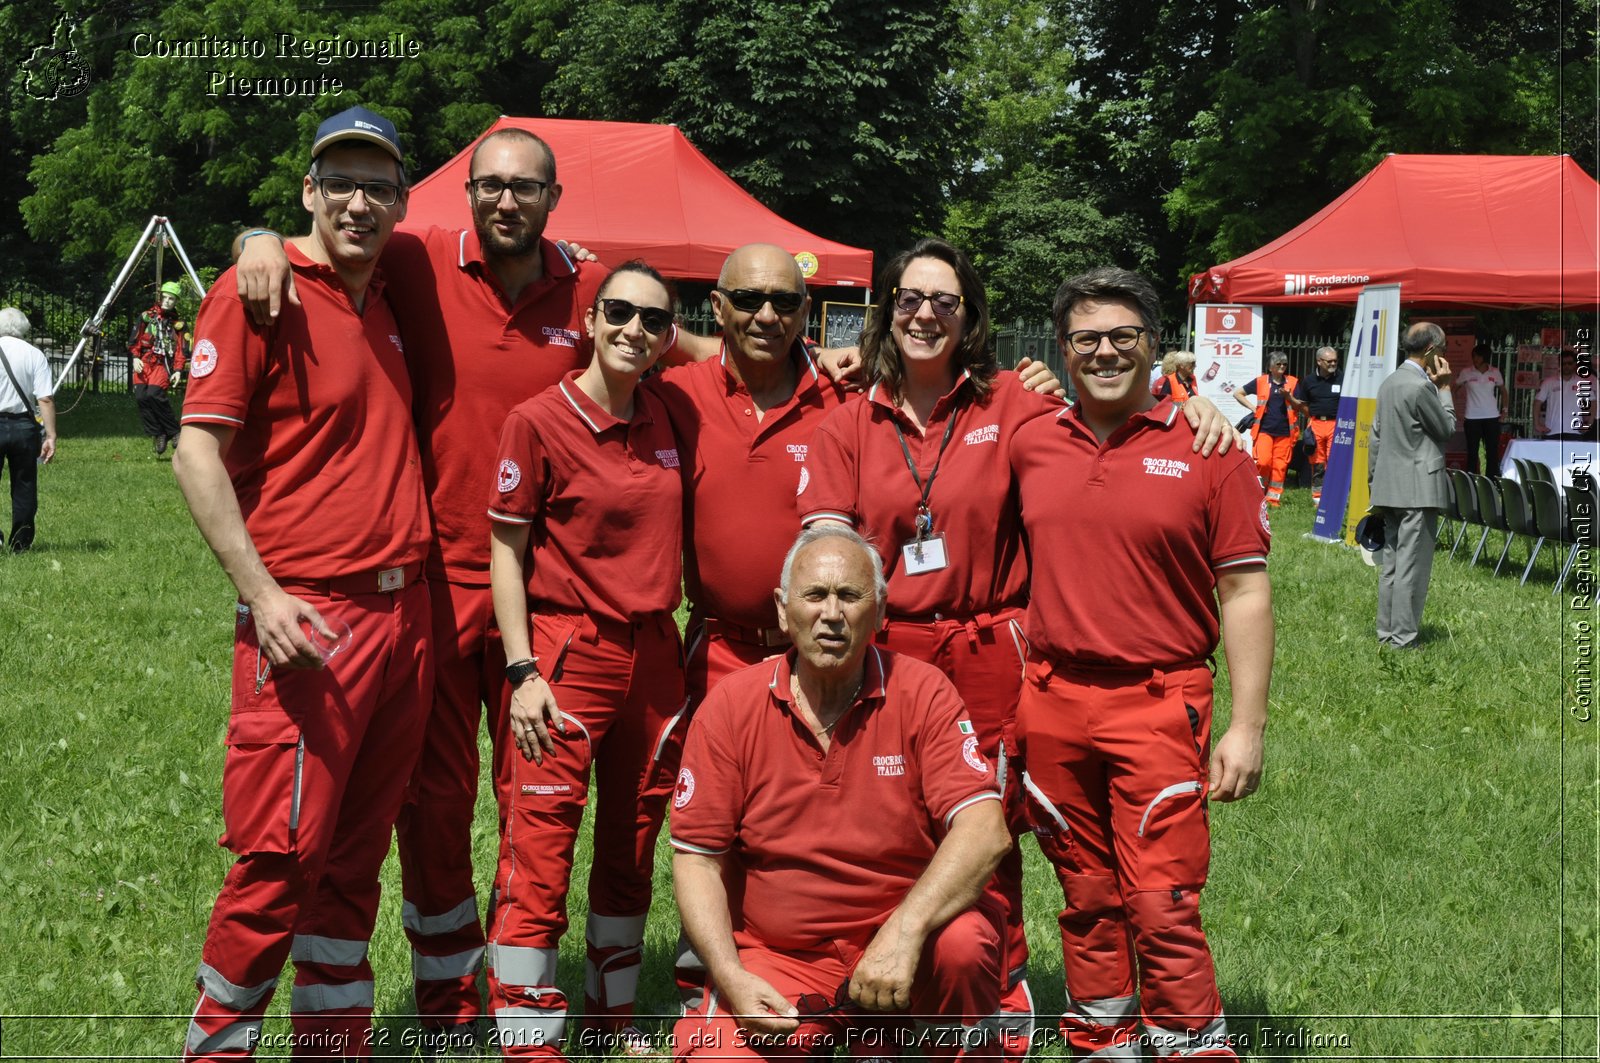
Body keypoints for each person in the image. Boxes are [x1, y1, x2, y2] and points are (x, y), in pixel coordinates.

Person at [173, 105, 433, 1060]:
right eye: (341, 183)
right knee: (278, 859)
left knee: (355, 859)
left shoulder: (393, 291)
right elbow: (197, 453)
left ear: (403, 200)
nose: (359, 202)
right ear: (308, 194)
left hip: (407, 616)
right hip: (312, 615)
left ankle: (331, 1044)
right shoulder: (259, 291)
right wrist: (264, 592)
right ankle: (218, 1045)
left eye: (378, 185)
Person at [1009, 266, 1273, 1061]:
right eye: (1086, 338)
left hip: (1159, 698)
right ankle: (1104, 1039)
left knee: (1160, 897)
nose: (1105, 352)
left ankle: (1192, 1043)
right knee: (1085, 891)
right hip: (1051, 697)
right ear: (1062, 349)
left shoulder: (1207, 443)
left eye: (1123, 336)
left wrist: (1248, 725)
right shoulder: (1032, 439)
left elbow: (1245, 591)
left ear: (1153, 345)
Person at [671, 524, 1011, 1062]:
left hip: (907, 949)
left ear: (879, 613)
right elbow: (697, 860)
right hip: (779, 956)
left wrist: (907, 929)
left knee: (964, 946)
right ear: (783, 610)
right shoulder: (730, 707)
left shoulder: (923, 693)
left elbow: (986, 830)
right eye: (815, 595)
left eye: (850, 596)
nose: (832, 613)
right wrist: (731, 975)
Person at [486, 261, 686, 1060]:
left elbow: (745, 352)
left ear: (670, 336)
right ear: (593, 318)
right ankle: (529, 1037)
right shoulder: (538, 420)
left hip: (656, 659)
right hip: (568, 655)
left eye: (653, 319)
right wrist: (521, 669)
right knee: (539, 851)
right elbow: (505, 548)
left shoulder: (669, 410)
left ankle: (614, 1018)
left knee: (633, 847)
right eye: (619, 312)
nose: (634, 329)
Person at [1370, 322, 1456, 650]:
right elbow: (1446, 427)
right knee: (1412, 565)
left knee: (1392, 564)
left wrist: (1373, 483)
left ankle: (1387, 632)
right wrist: (1445, 388)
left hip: (1389, 486)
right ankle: (1404, 638)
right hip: (1418, 488)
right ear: (1432, 351)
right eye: (1443, 350)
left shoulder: (1390, 382)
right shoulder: (1422, 388)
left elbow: (1376, 438)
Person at [0, 307, 58, 552]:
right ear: (23, 328)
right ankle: (20, 542)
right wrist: (51, 435)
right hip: (24, 426)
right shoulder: (34, 355)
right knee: (24, 484)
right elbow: (44, 399)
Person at [1234, 350, 1306, 505]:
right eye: (1278, 364)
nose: (1282, 367)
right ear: (1270, 367)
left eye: (1284, 364)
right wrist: (1253, 409)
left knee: (1280, 466)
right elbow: (1238, 393)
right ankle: (1259, 493)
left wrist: (1289, 397)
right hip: (1264, 430)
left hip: (1285, 432)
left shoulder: (1292, 382)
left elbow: (1299, 406)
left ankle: (1273, 499)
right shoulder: (1261, 381)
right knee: (1263, 462)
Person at [128, 279, 189, 455]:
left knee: (154, 394)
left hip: (162, 364)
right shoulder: (147, 317)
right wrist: (135, 358)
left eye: (172, 299)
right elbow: (135, 339)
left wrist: (178, 370)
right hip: (144, 362)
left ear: (176, 301)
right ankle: (159, 432)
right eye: (165, 297)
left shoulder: (179, 325)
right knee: (141, 397)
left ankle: (174, 431)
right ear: (160, 297)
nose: (168, 301)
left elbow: (181, 349)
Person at [1455, 343, 1507, 475]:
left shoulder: (1495, 372)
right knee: (1472, 451)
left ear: (1485, 357)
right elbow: (1452, 390)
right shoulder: (1466, 372)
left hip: (1492, 417)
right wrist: (1455, 410)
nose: (1475, 359)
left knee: (1492, 451)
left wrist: (1505, 410)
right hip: (1472, 417)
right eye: (1474, 357)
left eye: (1478, 357)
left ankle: (1492, 480)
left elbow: (1504, 392)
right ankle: (1471, 480)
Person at [1300, 346, 1342, 494]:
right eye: (1329, 361)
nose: (1333, 364)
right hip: (1316, 423)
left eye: (1335, 361)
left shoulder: (1342, 378)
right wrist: (1312, 419)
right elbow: (1303, 404)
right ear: (1319, 361)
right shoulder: (1309, 380)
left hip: (1336, 424)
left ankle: (1333, 493)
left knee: (1334, 460)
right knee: (1317, 461)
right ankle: (1317, 495)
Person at [1534, 346, 1594, 440]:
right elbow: (1537, 402)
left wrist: (1588, 424)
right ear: (1559, 364)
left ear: (1575, 364)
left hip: (1575, 432)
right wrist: (1537, 424)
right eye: (1563, 363)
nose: (1566, 366)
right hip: (1552, 431)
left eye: (1569, 363)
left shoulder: (1582, 383)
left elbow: (1593, 402)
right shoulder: (1549, 382)